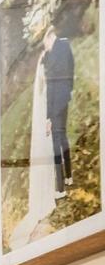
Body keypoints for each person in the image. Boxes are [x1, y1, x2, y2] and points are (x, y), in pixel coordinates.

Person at [44, 25, 76, 195]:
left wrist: (48, 116)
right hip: (65, 98)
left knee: (56, 142)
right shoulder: (65, 44)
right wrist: (69, 89)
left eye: (46, 43)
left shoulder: (50, 56)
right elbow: (72, 66)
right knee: (63, 137)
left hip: (56, 102)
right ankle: (69, 176)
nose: (46, 47)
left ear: (50, 38)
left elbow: (50, 87)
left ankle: (61, 187)